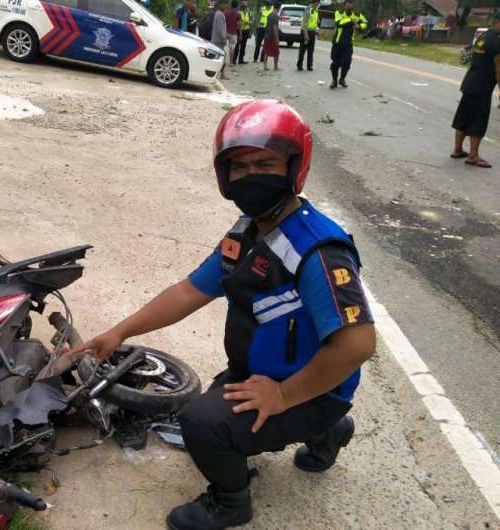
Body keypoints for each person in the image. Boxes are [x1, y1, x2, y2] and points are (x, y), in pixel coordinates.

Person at [72, 100, 376, 530]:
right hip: (260, 376)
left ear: (293, 168)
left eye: (265, 163)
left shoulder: (316, 249)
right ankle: (328, 430)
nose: (251, 176)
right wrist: (118, 332)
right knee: (219, 411)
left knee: (202, 424)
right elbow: (188, 292)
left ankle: (231, 502)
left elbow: (359, 345)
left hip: (305, 388)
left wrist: (284, 396)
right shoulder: (249, 231)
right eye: (239, 167)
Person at [451, 10, 500, 168]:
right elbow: (499, 68)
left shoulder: (483, 37)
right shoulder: (496, 41)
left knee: (463, 117)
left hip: (470, 83)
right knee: (478, 120)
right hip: (482, 87)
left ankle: (458, 149)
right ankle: (473, 155)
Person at [330, 0, 367, 88]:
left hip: (348, 43)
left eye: (351, 3)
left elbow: (365, 22)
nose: (350, 5)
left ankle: (342, 79)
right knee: (335, 63)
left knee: (346, 62)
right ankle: (334, 81)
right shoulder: (339, 12)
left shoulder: (357, 15)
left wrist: (359, 26)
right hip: (337, 42)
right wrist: (350, 19)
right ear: (345, 5)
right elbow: (339, 23)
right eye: (348, 3)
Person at [212, 0, 234, 79]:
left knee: (219, 57)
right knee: (221, 58)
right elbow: (220, 29)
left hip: (216, 39)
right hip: (218, 41)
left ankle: (220, 74)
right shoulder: (220, 14)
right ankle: (221, 74)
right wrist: (224, 38)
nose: (226, 6)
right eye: (225, 4)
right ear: (220, 4)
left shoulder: (218, 13)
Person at [297, 0, 319, 71]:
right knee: (303, 50)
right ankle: (299, 65)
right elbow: (304, 22)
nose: (317, 5)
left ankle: (309, 65)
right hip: (306, 32)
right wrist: (305, 34)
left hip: (312, 32)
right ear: (313, 2)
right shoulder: (308, 9)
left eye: (318, 3)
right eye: (316, 3)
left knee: (311, 50)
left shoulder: (316, 10)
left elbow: (315, 22)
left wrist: (317, 31)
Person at [262, 1, 280, 70]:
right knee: (276, 52)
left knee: (266, 51)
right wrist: (277, 38)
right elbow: (275, 27)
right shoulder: (276, 16)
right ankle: (275, 66)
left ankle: (265, 66)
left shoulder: (269, 14)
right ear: (279, 8)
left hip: (267, 35)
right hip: (272, 36)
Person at [225, 1, 241, 67]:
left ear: (231, 5)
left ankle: (223, 61)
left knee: (224, 47)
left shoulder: (226, 13)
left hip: (226, 32)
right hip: (233, 33)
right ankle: (231, 62)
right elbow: (239, 25)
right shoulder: (238, 14)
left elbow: (224, 22)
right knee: (232, 48)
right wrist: (240, 34)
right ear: (237, 6)